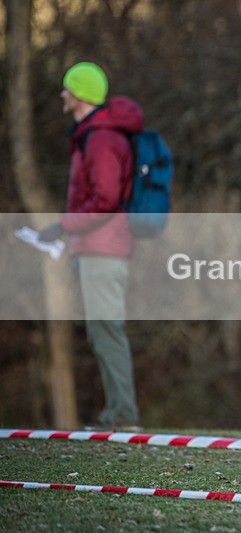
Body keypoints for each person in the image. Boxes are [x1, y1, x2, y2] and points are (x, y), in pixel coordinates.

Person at [38, 62, 142, 431]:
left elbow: (107, 200)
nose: (62, 94)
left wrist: (62, 225)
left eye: (67, 88)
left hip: (104, 249)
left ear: (80, 94)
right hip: (95, 247)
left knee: (107, 329)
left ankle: (123, 416)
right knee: (101, 330)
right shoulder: (93, 135)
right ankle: (117, 413)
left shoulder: (100, 139)